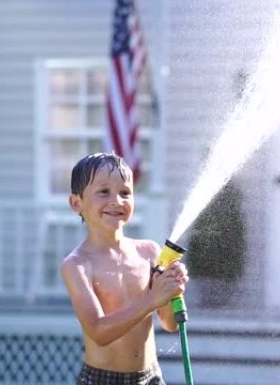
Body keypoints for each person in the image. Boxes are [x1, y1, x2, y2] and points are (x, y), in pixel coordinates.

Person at [61, 152, 189, 385]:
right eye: (104, 192)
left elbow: (170, 324)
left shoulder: (149, 252)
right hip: (103, 380)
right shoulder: (77, 264)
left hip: (150, 377)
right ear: (76, 203)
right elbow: (99, 332)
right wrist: (151, 300)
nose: (117, 201)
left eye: (125, 193)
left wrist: (172, 290)